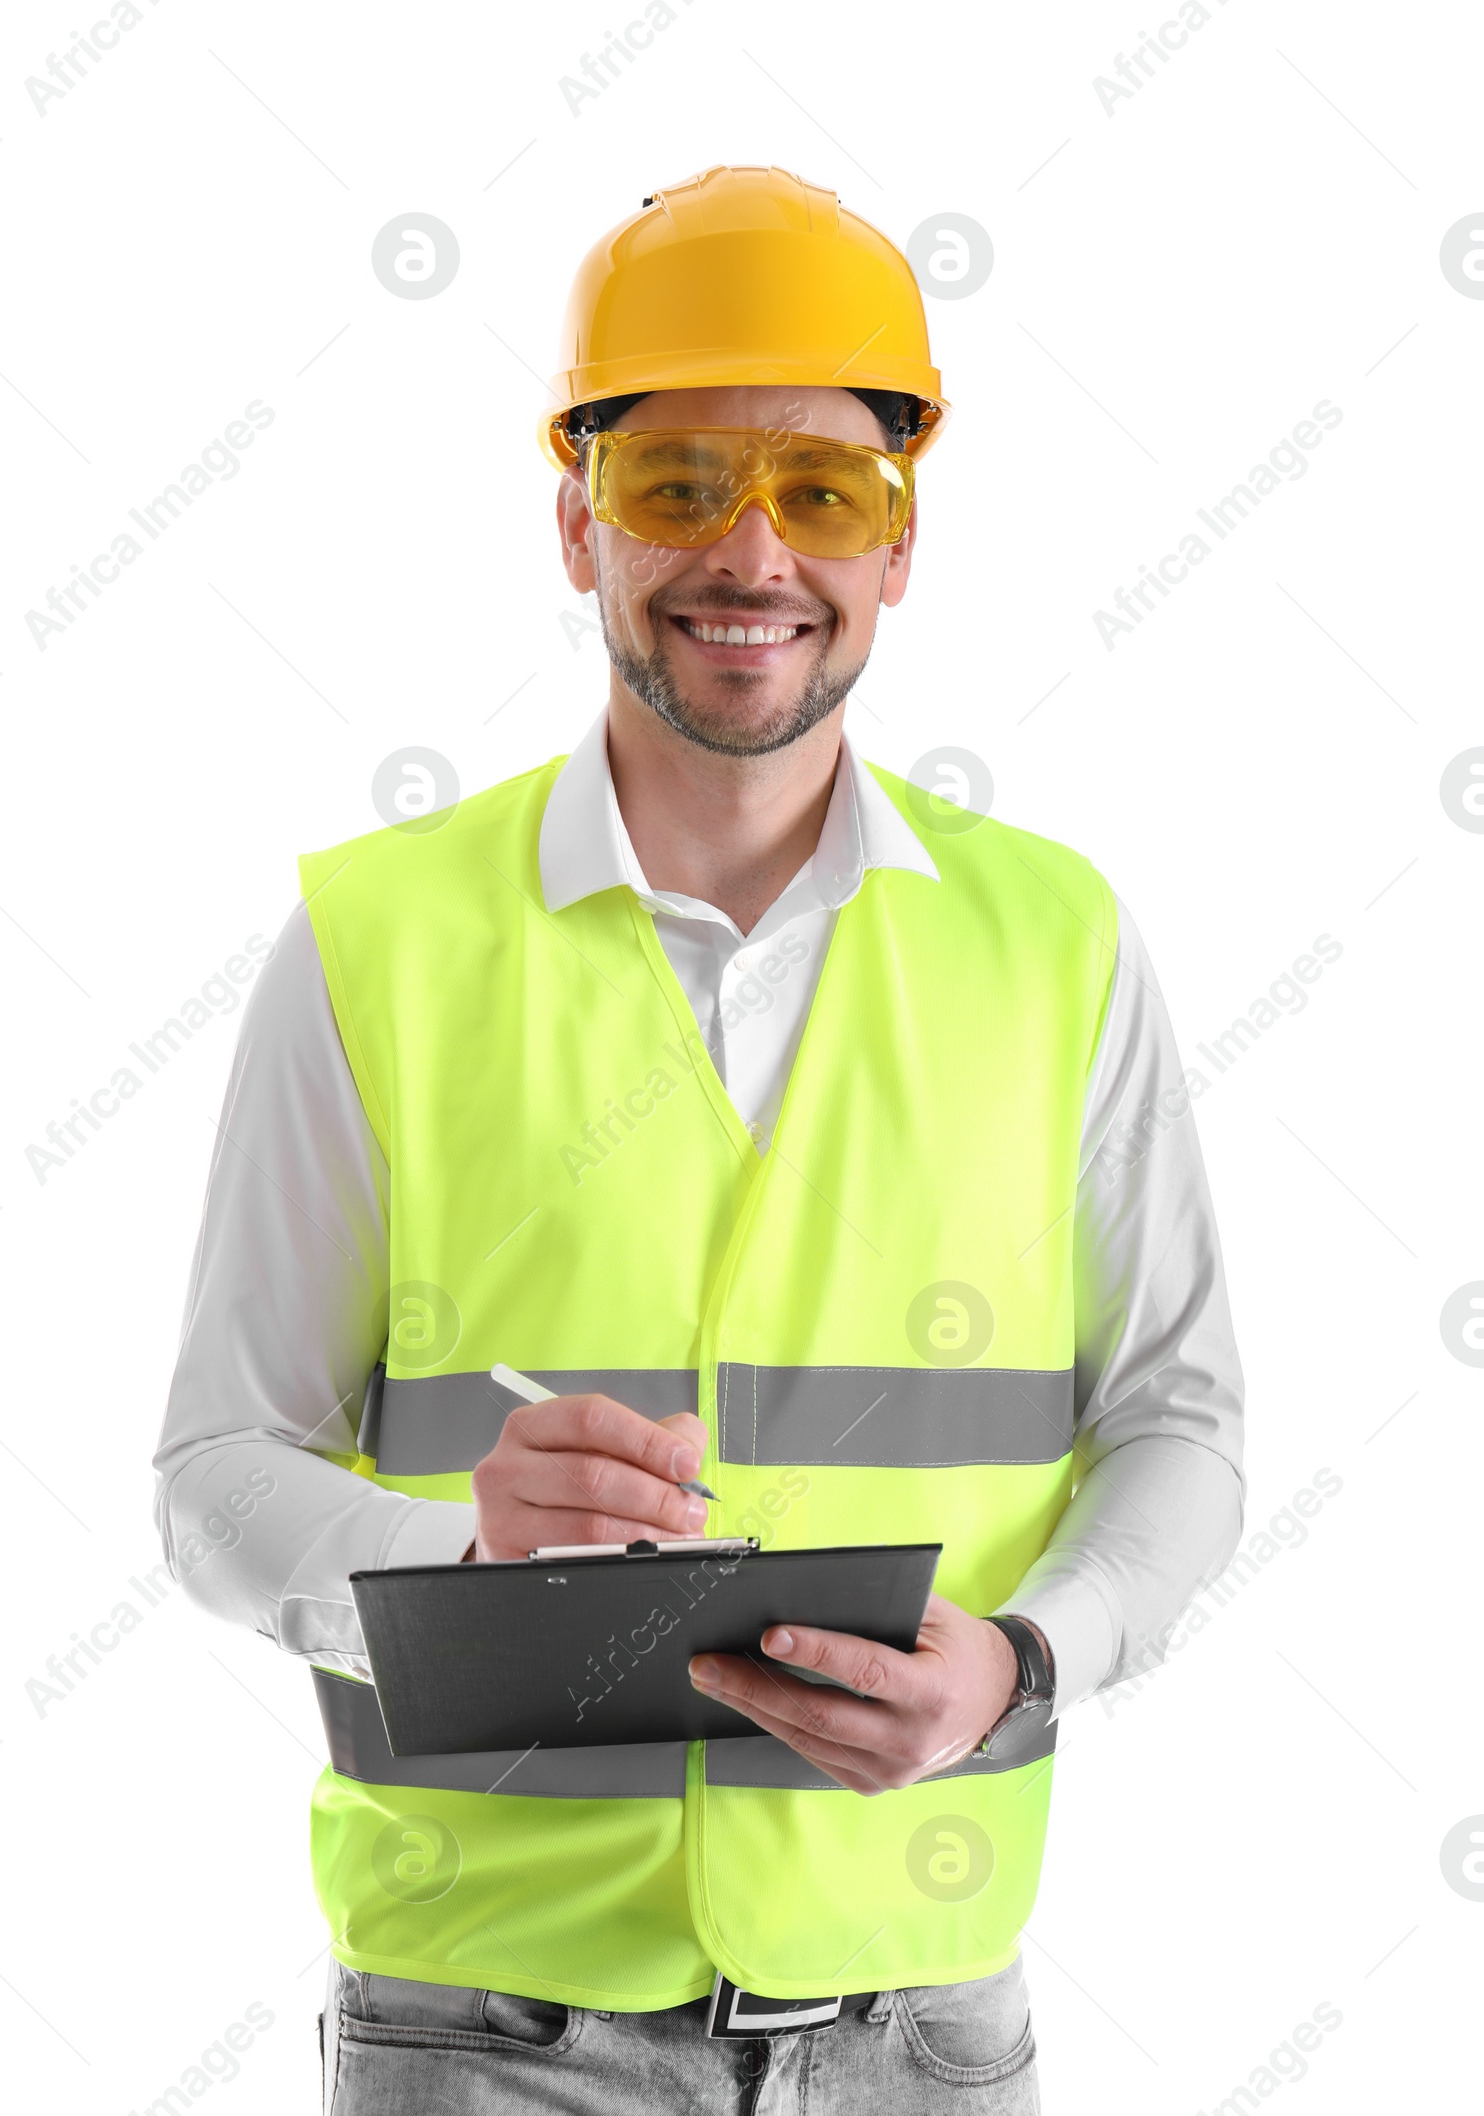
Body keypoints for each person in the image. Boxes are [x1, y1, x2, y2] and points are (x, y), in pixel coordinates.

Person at [153, 162, 1245, 2113]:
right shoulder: (374, 941)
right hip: (487, 2038)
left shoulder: (1055, 943)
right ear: (574, 517)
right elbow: (216, 1472)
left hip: (927, 2026)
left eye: (819, 489)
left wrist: (1024, 1661)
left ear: (897, 540)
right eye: (677, 483)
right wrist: (454, 1557)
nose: (752, 551)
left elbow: (1179, 1424)